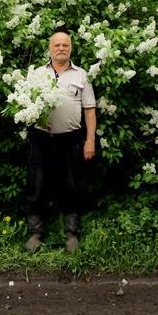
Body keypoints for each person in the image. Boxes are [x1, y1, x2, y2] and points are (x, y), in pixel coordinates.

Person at [25, 30, 97, 253]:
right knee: (37, 185)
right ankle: (35, 233)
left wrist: (90, 140)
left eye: (65, 45)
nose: (61, 48)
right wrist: (38, 118)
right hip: (41, 139)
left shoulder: (81, 75)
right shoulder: (37, 74)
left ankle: (71, 234)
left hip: (71, 140)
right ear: (50, 48)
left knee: (71, 185)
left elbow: (90, 110)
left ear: (71, 48)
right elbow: (26, 105)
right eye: (57, 45)